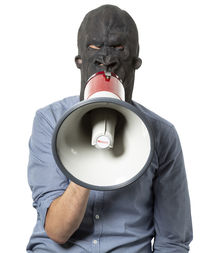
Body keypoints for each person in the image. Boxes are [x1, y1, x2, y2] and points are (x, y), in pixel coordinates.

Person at [26, 5, 193, 253]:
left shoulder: (162, 135)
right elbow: (57, 232)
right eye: (94, 49)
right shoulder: (49, 121)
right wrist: (88, 162)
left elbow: (173, 241)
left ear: (136, 63)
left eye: (118, 50)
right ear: (79, 61)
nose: (106, 61)